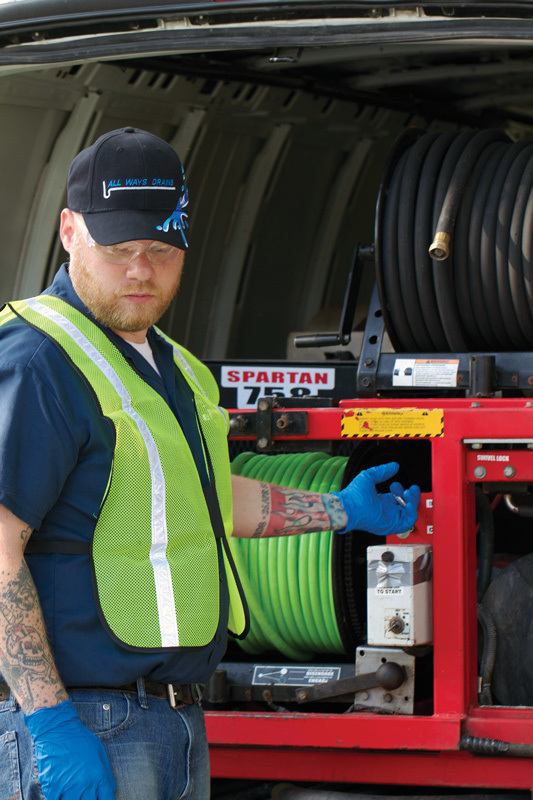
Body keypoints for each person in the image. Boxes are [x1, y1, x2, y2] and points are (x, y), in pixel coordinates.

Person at [0, 127, 421, 800]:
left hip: (175, 720)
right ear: (69, 230)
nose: (141, 270)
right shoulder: (39, 363)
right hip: (84, 720)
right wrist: (49, 724)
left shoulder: (173, 367)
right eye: (119, 250)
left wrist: (342, 510)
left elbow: (206, 500)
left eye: (161, 250)